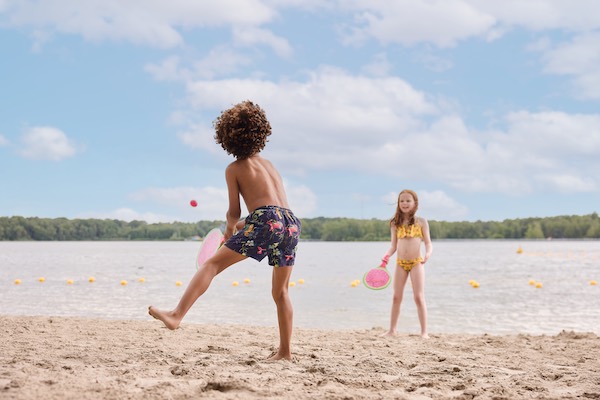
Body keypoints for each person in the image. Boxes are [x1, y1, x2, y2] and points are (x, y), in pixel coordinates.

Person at [149, 101, 302, 361]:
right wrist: (243, 226)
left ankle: (176, 316)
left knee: (211, 266)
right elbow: (270, 211)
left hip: (266, 219)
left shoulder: (234, 169)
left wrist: (230, 230)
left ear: (227, 138)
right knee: (281, 292)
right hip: (290, 223)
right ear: (261, 132)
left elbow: (235, 212)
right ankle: (285, 352)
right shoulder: (270, 165)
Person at [380, 189, 432, 338]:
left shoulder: (421, 222)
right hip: (400, 264)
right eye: (402, 201)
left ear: (415, 203)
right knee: (396, 297)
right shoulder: (395, 223)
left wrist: (428, 254)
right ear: (398, 203)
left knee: (418, 297)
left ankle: (424, 332)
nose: (404, 203)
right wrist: (387, 255)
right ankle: (392, 330)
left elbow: (428, 243)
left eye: (408, 200)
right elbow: (393, 246)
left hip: (417, 263)